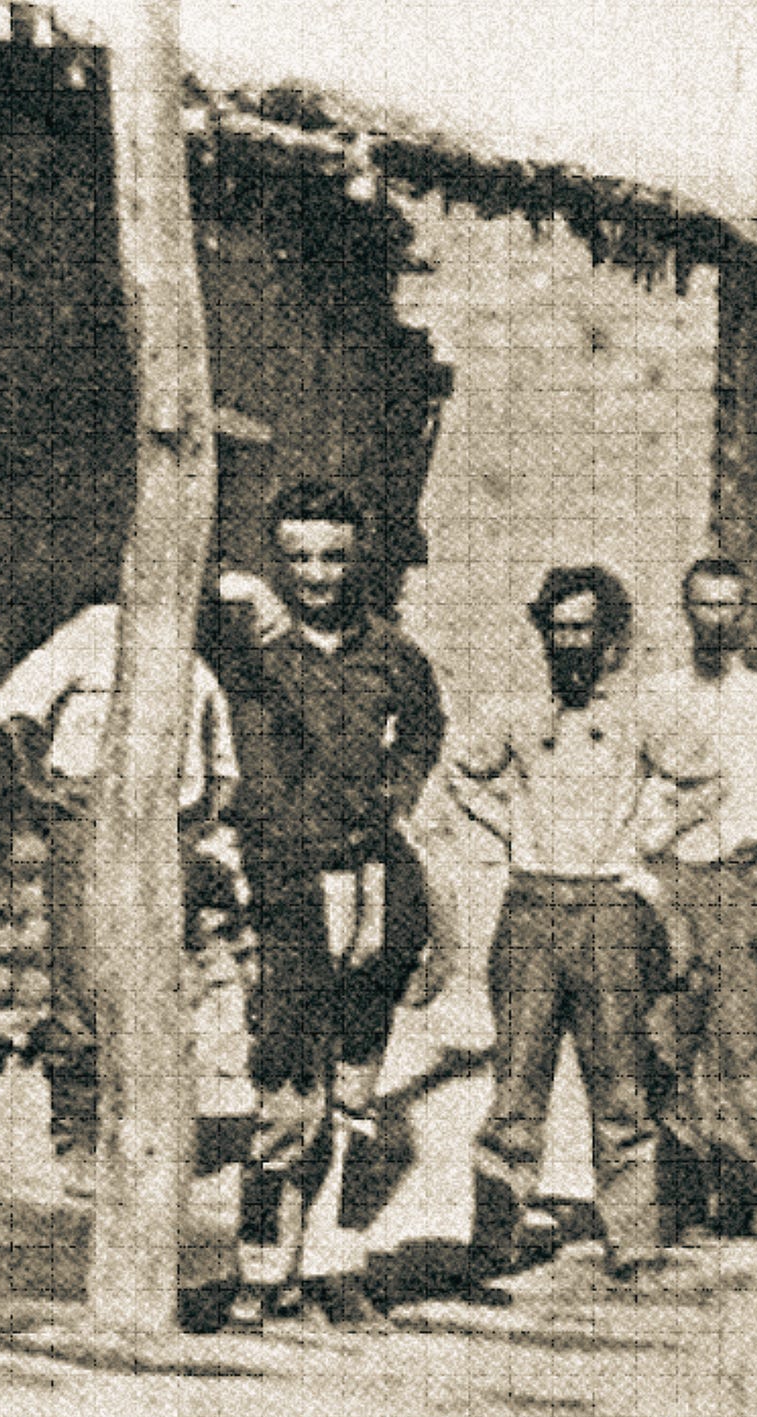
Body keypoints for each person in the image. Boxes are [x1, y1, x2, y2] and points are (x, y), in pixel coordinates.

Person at [446, 565, 717, 1285]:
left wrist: (652, 839)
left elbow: (706, 780)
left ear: (609, 640)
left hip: (609, 912)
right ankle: (493, 1242)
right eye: (556, 629)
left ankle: (633, 1245)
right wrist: (506, 826)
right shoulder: (516, 712)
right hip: (532, 908)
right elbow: (461, 774)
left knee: (621, 1088)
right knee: (516, 1088)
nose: (568, 644)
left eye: (582, 630)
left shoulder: (640, 714)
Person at [215, 478, 444, 1328]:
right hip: (285, 891)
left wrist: (397, 793)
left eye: (334, 557)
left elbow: (425, 727)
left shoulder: (391, 652)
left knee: (354, 1094)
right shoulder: (251, 654)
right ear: (281, 559)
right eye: (301, 557)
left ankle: (337, 1272)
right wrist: (239, 588)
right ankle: (258, 1275)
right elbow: (174, 595)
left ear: (360, 558)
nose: (318, 574)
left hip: (371, 889)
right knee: (284, 1094)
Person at [0, 596, 241, 1196]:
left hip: (166, 828)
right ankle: (77, 1135)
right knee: (81, 977)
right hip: (88, 820)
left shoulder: (201, 659)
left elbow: (223, 768)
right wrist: (43, 786)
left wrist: (193, 830)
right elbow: (15, 706)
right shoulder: (97, 629)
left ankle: (149, 1135)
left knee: (156, 981)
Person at [642, 557, 757, 1237]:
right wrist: (650, 883)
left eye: (730, 606)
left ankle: (741, 1190)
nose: (717, 618)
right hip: (673, 882)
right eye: (705, 605)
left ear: (746, 613)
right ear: (687, 611)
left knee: (736, 1042)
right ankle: (678, 1191)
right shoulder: (656, 697)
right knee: (667, 1034)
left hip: (736, 884)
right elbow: (643, 792)